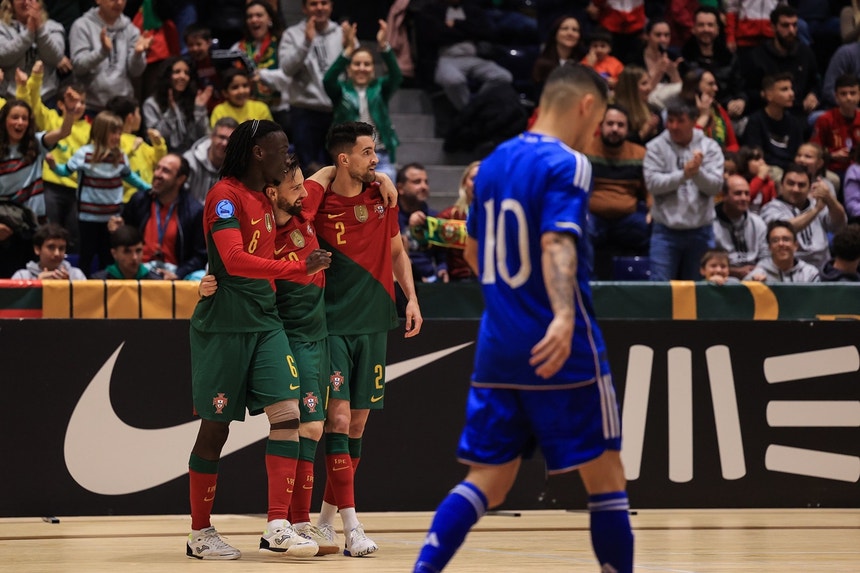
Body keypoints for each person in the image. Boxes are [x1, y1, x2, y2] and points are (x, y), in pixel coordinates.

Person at [413, 64, 632, 573]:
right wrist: (561, 315)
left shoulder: (492, 164)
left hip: (499, 344)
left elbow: (471, 248)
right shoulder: (569, 163)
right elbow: (557, 241)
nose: (596, 130)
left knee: (487, 481)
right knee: (606, 477)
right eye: (599, 117)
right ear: (586, 106)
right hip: (561, 344)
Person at [185, 119, 329, 560]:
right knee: (215, 429)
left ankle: (277, 526)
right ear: (257, 153)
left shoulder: (268, 197)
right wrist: (298, 268)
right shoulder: (223, 196)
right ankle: (199, 533)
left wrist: (382, 180)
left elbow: (323, 180)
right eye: (281, 150)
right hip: (225, 326)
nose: (288, 158)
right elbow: (233, 259)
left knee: (288, 415)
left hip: (266, 322)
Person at [311, 121, 422, 557]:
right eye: (367, 152)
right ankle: (352, 527)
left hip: (375, 323)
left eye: (375, 152)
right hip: (333, 325)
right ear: (344, 159)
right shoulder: (320, 199)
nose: (376, 160)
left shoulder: (382, 197)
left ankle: (325, 522)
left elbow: (396, 251)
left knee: (356, 425)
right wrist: (327, 172)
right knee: (337, 421)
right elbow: (299, 190)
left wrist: (411, 298)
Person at [45, 110, 151, 276]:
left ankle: (107, 287)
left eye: (119, 132)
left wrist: (148, 188)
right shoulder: (84, 154)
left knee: (107, 257)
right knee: (86, 255)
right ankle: (84, 287)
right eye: (113, 133)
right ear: (101, 132)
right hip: (88, 217)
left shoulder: (120, 156)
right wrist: (53, 166)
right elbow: (65, 171)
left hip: (112, 219)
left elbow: (131, 177)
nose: (118, 137)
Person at [643, 96, 724, 281]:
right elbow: (653, 184)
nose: (674, 126)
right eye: (670, 121)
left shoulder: (710, 147)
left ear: (694, 122)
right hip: (665, 232)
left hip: (700, 231)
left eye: (680, 121)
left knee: (698, 290)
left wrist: (697, 173)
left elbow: (715, 187)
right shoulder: (655, 147)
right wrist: (684, 175)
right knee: (661, 289)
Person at [323, 19, 401, 181]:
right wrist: (348, 50)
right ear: (349, 68)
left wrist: (384, 46)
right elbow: (328, 80)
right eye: (357, 64)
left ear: (373, 68)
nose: (362, 68)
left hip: (379, 154)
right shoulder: (341, 90)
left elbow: (396, 76)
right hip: (349, 156)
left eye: (367, 64)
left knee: (386, 191)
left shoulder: (380, 89)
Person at [24, 61, 89, 251]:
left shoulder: (90, 129)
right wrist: (36, 78)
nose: (78, 106)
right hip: (50, 185)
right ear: (61, 104)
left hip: (76, 188)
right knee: (48, 231)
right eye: (73, 101)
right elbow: (33, 102)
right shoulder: (51, 118)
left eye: (82, 102)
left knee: (74, 236)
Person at [111, 153, 205, 280]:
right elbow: (122, 242)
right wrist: (117, 231)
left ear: (180, 179)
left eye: (165, 171)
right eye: (157, 168)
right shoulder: (139, 201)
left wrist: (178, 274)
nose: (157, 174)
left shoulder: (195, 211)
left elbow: (201, 255)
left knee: (200, 277)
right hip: (139, 270)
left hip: (175, 272)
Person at [279, 0, 347, 174]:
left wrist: (351, 46)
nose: (319, 8)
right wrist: (306, 43)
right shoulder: (292, 34)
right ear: (304, 8)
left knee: (338, 170)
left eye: (324, 3)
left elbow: (355, 69)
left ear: (331, 6)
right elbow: (286, 69)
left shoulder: (341, 33)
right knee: (308, 170)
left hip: (336, 111)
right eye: (313, 3)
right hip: (305, 111)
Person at [417, 0, 513, 112]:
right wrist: (466, 30)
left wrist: (455, 25)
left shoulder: (471, 9)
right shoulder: (431, 10)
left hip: (474, 57)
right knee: (453, 80)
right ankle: (467, 111)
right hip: (448, 58)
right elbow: (435, 35)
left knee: (503, 76)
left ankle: (477, 106)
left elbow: (486, 31)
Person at [584, 104, 650, 261]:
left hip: (628, 218)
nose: (615, 129)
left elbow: (649, 189)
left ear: (628, 129)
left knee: (656, 232)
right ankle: (587, 277)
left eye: (620, 125)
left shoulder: (640, 154)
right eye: (610, 124)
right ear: (601, 126)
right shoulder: (585, 150)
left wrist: (652, 211)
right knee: (581, 231)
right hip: (593, 216)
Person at [68, 0, 152, 114]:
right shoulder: (82, 26)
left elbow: (136, 72)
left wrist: (138, 55)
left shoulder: (131, 29)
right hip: (90, 107)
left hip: (122, 107)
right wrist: (102, 53)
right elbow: (78, 67)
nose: (119, 2)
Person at [760, 163, 847, 270]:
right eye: (791, 183)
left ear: (810, 188)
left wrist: (829, 198)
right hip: (790, 269)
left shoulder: (816, 204)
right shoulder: (770, 208)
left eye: (801, 185)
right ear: (781, 185)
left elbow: (840, 224)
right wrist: (815, 210)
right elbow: (784, 228)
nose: (795, 189)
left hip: (823, 268)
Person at [740, 5, 820, 116]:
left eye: (794, 25)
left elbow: (816, 82)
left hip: (799, 112)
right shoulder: (757, 56)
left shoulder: (805, 52)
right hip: (767, 114)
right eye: (785, 25)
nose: (791, 30)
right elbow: (748, 90)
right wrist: (766, 95)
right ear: (773, 27)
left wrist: (813, 94)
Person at [232, 0, 291, 134]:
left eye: (259, 15)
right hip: (250, 111)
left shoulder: (283, 43)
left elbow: (288, 77)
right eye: (250, 16)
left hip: (279, 109)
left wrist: (263, 75)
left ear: (269, 19)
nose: (254, 20)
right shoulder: (238, 48)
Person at [681, 6, 746, 120]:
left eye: (710, 25)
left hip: (728, 113)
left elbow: (740, 88)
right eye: (701, 25)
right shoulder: (684, 58)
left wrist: (741, 101)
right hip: (693, 114)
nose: (706, 29)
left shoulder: (729, 57)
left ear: (717, 29)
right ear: (693, 29)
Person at [0, 0, 69, 103]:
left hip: (47, 97)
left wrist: (40, 30)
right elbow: (3, 57)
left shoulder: (53, 27)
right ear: (11, 3)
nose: (26, 2)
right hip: (11, 99)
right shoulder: (2, 28)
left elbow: (56, 57)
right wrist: (29, 34)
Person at [142, 56, 212, 153]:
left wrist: (199, 110)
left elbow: (204, 137)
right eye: (177, 72)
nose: (182, 76)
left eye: (186, 73)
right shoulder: (151, 104)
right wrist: (171, 114)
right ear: (167, 76)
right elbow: (153, 140)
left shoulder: (192, 100)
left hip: (190, 155)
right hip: (164, 156)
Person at [105, 95, 167, 203]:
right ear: (130, 117)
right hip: (123, 200)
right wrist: (131, 149)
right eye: (138, 113)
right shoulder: (114, 141)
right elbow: (112, 162)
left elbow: (159, 162)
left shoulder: (139, 142)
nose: (140, 117)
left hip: (145, 197)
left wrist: (158, 144)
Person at [742, 72, 805, 171]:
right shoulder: (756, 121)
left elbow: (798, 152)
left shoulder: (794, 122)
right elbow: (755, 154)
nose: (791, 93)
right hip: (767, 168)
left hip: (791, 168)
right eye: (784, 89)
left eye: (791, 88)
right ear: (769, 95)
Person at [397, 162, 448, 283]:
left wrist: (442, 268)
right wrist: (410, 229)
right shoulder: (388, 217)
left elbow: (441, 255)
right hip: (400, 279)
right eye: (417, 182)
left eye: (426, 182)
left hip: (431, 280)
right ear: (400, 188)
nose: (424, 186)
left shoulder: (434, 217)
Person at [713, 174, 768, 279]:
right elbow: (706, 261)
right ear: (724, 196)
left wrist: (758, 270)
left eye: (747, 194)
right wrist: (734, 272)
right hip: (723, 277)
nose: (744, 198)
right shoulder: (710, 224)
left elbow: (766, 256)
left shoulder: (758, 223)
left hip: (757, 275)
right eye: (738, 193)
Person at [810, 73, 860, 179]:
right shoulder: (825, 119)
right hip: (834, 169)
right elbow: (813, 150)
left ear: (859, 95)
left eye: (853, 93)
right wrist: (832, 156)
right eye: (843, 94)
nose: (849, 98)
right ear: (836, 97)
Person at [437, 161, 478, 281]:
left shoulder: (500, 216)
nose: (477, 183)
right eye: (473, 178)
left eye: (482, 179)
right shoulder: (450, 215)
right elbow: (430, 246)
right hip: (459, 280)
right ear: (464, 183)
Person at [680, 68, 738, 152]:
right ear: (695, 87)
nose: (716, 88)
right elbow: (685, 143)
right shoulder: (680, 112)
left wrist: (728, 157)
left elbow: (733, 144)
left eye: (715, 84)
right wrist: (704, 116)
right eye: (710, 84)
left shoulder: (718, 110)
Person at [744, 219, 821, 282]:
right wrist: (755, 286)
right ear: (769, 247)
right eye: (775, 240)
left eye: (786, 239)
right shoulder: (757, 275)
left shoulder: (810, 274)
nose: (781, 244)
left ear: (795, 245)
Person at [184, 117, 237, 205]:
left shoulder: (239, 169)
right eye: (221, 137)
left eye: (230, 140)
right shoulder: (190, 161)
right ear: (212, 137)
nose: (225, 143)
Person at [11, 221, 86, 279]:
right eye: (51, 247)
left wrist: (67, 287)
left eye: (61, 248)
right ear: (37, 249)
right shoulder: (22, 276)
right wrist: (38, 286)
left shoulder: (76, 275)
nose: (57, 253)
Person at [531, 14, 585, 95]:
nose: (570, 33)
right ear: (555, 34)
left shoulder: (584, 62)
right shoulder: (542, 64)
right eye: (565, 28)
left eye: (575, 30)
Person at [89, 224, 163, 280]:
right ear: (114, 254)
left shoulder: (156, 283)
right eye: (127, 252)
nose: (134, 257)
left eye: (138, 251)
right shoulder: (98, 282)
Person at [209, 67, 273, 128]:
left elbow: (270, 133)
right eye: (235, 87)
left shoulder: (261, 108)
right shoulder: (219, 111)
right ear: (225, 93)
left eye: (245, 86)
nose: (241, 91)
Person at [613, 65, 662, 145]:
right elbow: (617, 142)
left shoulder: (653, 110)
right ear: (631, 88)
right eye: (644, 84)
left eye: (649, 82)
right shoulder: (616, 113)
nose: (649, 88)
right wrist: (643, 133)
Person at [737, 145, 777, 213]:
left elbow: (772, 205)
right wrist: (760, 177)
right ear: (745, 163)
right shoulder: (737, 180)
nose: (762, 162)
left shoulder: (767, 181)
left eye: (762, 158)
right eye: (756, 159)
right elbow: (746, 198)